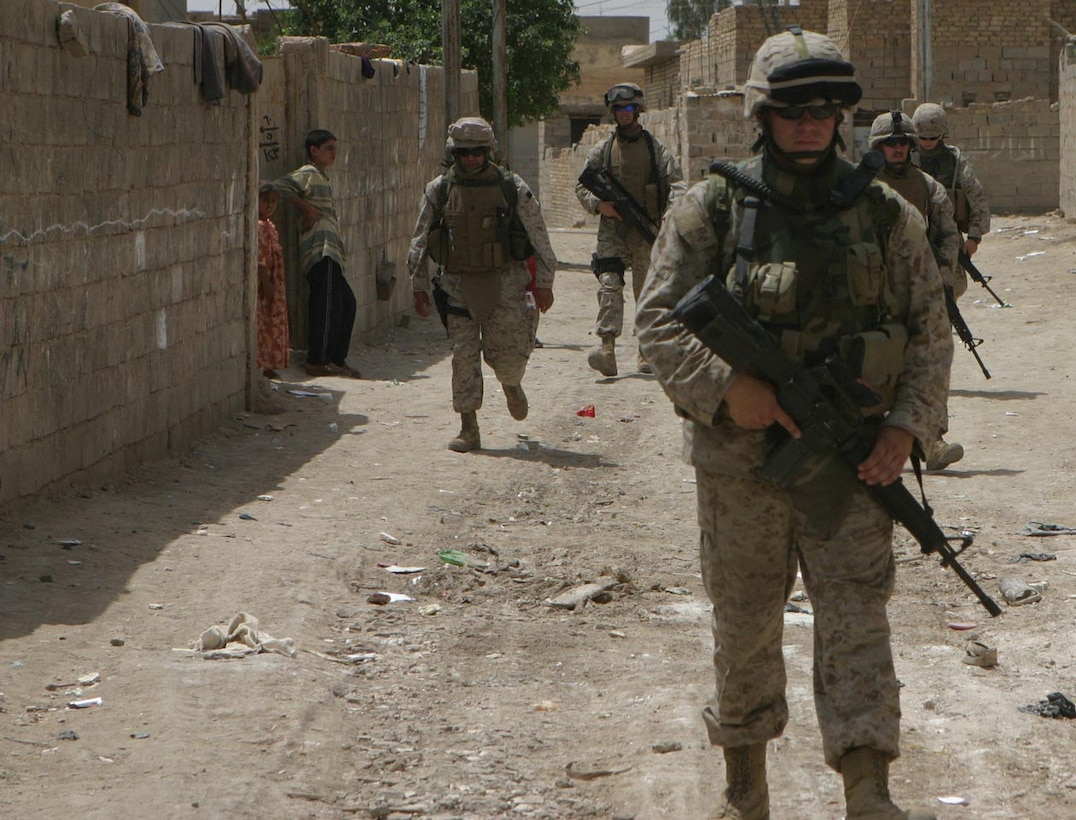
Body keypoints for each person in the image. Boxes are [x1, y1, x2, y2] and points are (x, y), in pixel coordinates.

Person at [636, 27, 952, 820]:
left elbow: (928, 331)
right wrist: (725, 387)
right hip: (741, 462)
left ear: (844, 116)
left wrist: (905, 430)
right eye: (792, 110)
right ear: (761, 114)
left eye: (826, 110)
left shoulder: (884, 214)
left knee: (855, 619)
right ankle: (746, 784)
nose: (810, 124)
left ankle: (867, 785)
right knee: (744, 622)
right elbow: (657, 323)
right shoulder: (711, 207)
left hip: (851, 465)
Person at [407, 117, 556, 453]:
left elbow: (539, 237)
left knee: (508, 355)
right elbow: (419, 239)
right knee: (463, 357)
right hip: (458, 285)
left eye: (478, 152)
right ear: (453, 152)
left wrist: (544, 283)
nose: (471, 158)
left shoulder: (512, 187)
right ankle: (468, 427)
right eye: (465, 152)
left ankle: (511, 383)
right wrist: (417, 285)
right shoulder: (439, 190)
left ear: (489, 151)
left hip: (506, 284)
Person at [870, 110, 964, 471]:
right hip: (870, 292)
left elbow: (946, 235)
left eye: (902, 143)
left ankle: (932, 441)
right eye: (889, 143)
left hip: (916, 289)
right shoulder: (859, 187)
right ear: (878, 147)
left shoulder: (929, 187)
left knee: (927, 363)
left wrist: (939, 275)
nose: (897, 149)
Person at [575, 82, 682, 376]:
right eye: (619, 109)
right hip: (611, 231)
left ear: (638, 110)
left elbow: (676, 184)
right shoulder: (603, 150)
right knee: (610, 286)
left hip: (645, 231)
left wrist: (669, 215)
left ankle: (645, 352)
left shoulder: (655, 148)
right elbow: (581, 185)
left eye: (629, 108)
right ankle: (606, 348)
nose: (624, 114)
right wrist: (599, 205)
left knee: (646, 293)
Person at [274, 129, 361, 379]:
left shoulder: (321, 177)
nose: (334, 153)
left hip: (331, 251)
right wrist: (307, 210)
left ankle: (335, 358)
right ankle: (318, 360)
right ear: (314, 150)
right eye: (329, 148)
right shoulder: (308, 174)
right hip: (319, 249)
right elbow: (279, 187)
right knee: (326, 304)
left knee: (346, 303)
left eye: (335, 148)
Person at [911, 103, 991, 260]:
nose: (928, 142)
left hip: (948, 235)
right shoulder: (906, 159)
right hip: (912, 235)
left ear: (942, 134)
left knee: (953, 283)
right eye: (923, 138)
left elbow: (976, 198)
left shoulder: (955, 161)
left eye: (933, 137)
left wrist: (974, 237)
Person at [256, 182, 290, 380]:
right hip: (265, 283)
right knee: (263, 322)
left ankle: (269, 365)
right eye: (265, 201)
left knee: (271, 322)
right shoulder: (260, 227)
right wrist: (266, 281)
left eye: (273, 202)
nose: (269, 206)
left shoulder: (269, 226)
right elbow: (259, 259)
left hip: (273, 281)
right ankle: (263, 363)